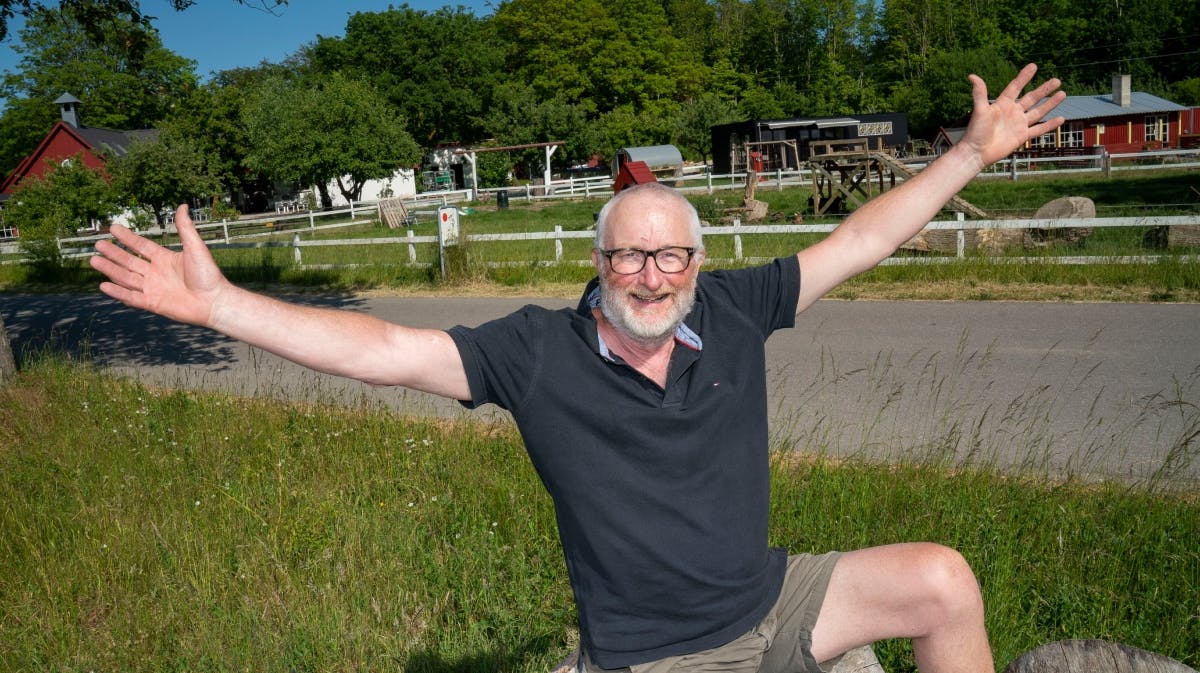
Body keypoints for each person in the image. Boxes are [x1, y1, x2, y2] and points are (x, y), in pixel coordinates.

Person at [91, 65, 1065, 673]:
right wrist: (220, 306)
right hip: (656, 657)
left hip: (774, 606)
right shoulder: (535, 352)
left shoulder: (734, 311)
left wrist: (971, 154)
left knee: (942, 579)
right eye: (628, 256)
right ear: (598, 265)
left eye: (670, 255)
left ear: (696, 264)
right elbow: (382, 352)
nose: (651, 274)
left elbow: (859, 238)